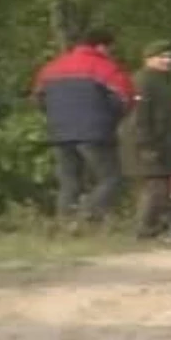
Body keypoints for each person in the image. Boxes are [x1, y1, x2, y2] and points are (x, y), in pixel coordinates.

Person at [32, 27, 136, 229]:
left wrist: (56, 117)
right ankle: (86, 214)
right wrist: (113, 118)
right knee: (110, 178)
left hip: (60, 133)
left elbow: (38, 98)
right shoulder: (105, 67)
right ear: (102, 46)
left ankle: (64, 223)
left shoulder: (52, 67)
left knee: (69, 181)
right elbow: (125, 99)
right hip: (95, 132)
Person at [120, 40, 171, 241]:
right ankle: (145, 230)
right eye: (162, 57)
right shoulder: (143, 81)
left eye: (170, 57)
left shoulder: (162, 81)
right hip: (148, 146)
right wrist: (146, 145)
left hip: (162, 146)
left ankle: (159, 228)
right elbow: (139, 117)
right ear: (148, 59)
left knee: (161, 189)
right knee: (155, 190)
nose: (168, 61)